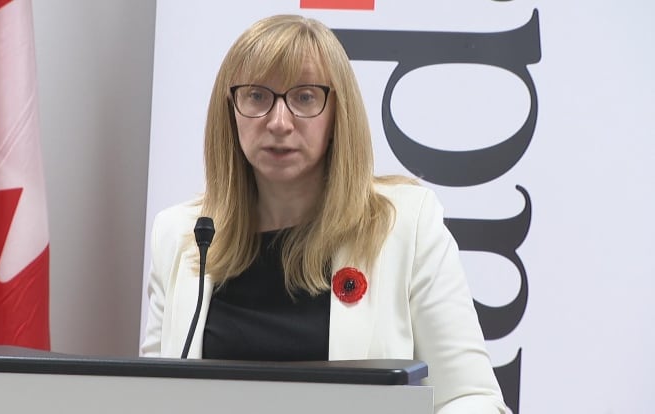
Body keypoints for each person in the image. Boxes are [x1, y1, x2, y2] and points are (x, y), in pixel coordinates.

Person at [141, 14, 506, 413]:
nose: (279, 122)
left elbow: (472, 398)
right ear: (230, 110)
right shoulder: (182, 234)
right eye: (257, 96)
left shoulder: (406, 226)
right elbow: (153, 399)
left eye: (305, 97)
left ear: (337, 114)